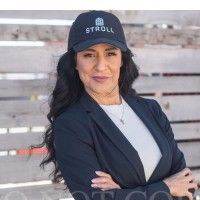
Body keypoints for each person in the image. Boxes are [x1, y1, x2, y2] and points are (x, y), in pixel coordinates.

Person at [36, 11, 198, 200]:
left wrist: (123, 192)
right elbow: (94, 198)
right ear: (75, 62)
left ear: (122, 59)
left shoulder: (150, 110)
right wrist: (165, 188)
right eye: (89, 55)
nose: (101, 66)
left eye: (110, 53)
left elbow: (186, 184)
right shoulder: (71, 125)